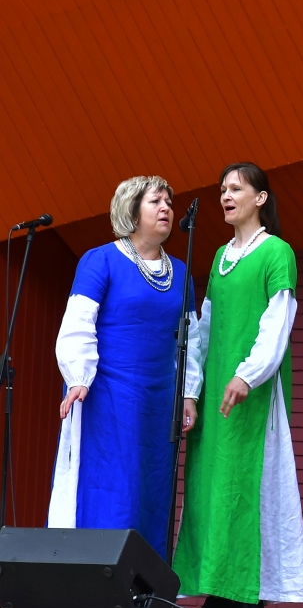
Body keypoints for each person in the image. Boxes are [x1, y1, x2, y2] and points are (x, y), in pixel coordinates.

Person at [176, 162, 303, 608]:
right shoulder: (219, 256)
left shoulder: (276, 252)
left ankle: (248, 593)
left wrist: (248, 375)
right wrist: (191, 389)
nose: (226, 196)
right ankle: (217, 586)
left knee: (250, 487)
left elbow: (277, 322)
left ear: (261, 198)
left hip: (253, 392)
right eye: (222, 190)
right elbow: (204, 327)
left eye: (236, 188)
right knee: (212, 488)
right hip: (217, 390)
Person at [49, 176, 195, 558]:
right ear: (131, 209)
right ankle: (92, 572)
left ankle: (142, 581)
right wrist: (78, 378)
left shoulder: (181, 273)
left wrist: (188, 394)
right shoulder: (100, 260)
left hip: (160, 403)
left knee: (152, 491)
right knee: (113, 486)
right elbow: (78, 322)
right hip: (108, 398)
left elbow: (192, 339)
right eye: (155, 201)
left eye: (169, 203)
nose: (166, 209)